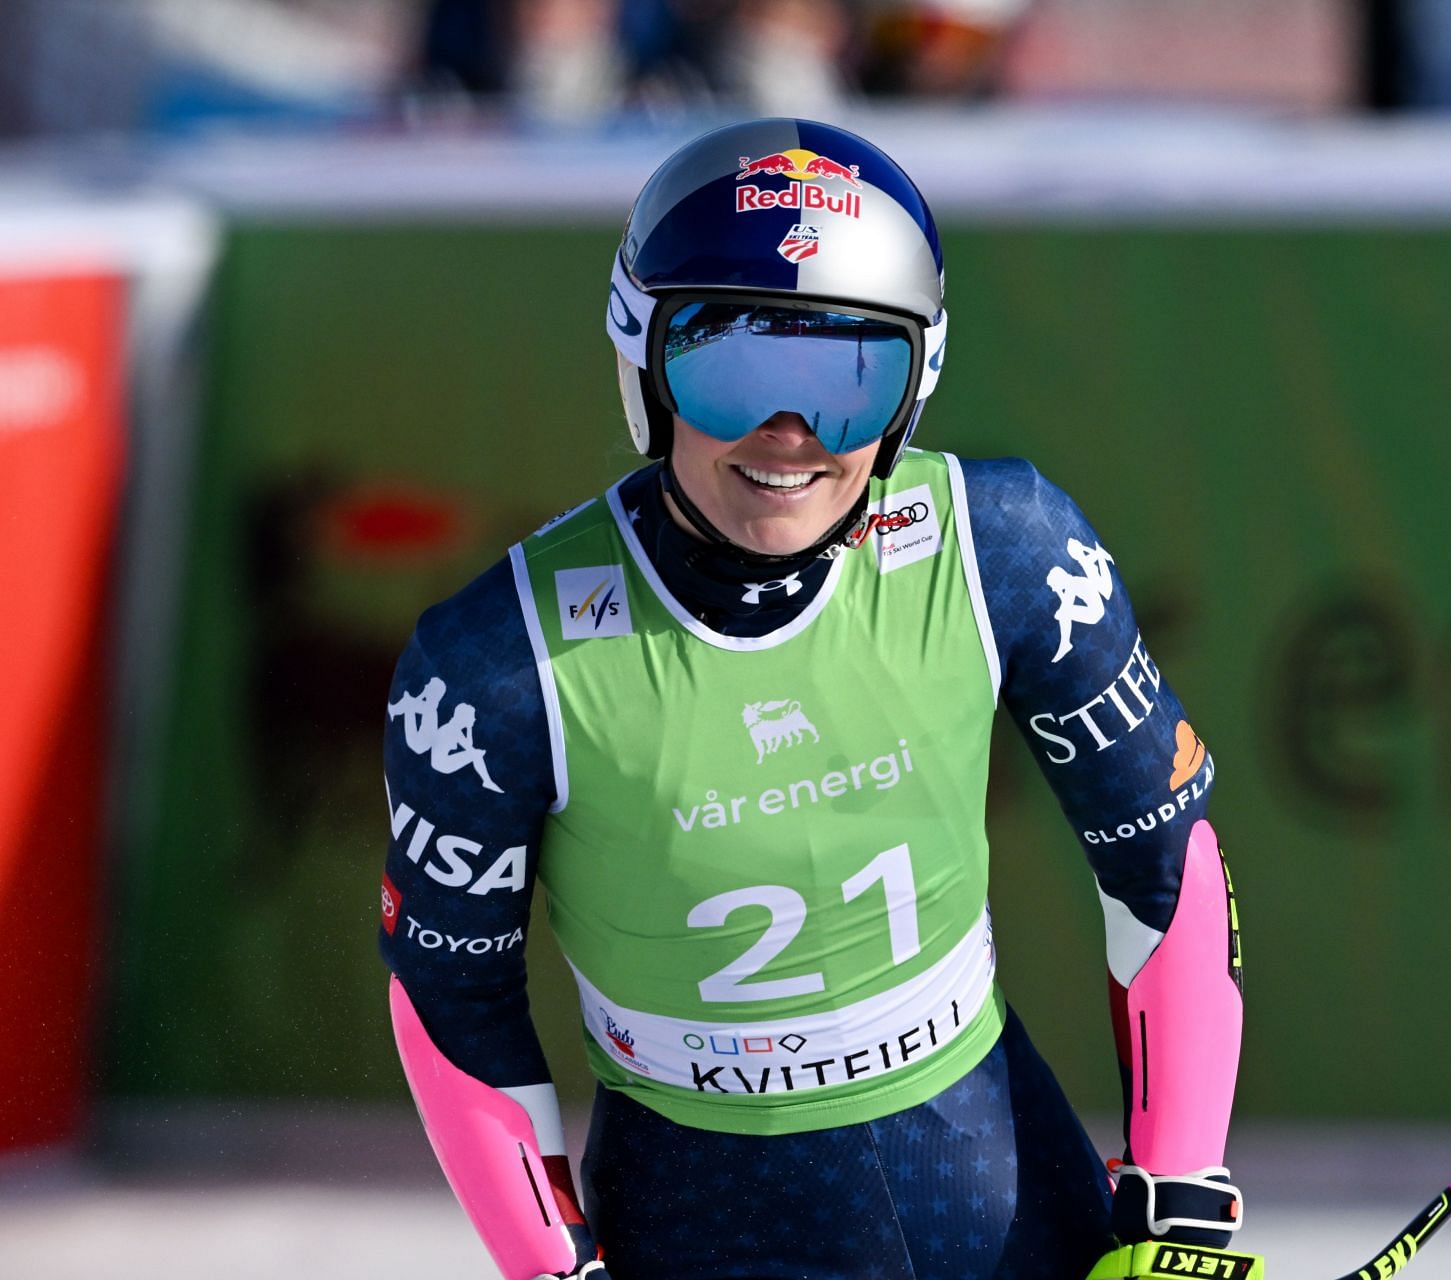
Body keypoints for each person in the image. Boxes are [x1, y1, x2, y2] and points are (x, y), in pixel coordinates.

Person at [377, 117, 1250, 1280]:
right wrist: (554, 1263)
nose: (787, 435)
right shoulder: (492, 666)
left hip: (990, 1184)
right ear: (643, 365)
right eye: (732, 368)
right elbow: (452, 993)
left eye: (848, 377)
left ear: (914, 385)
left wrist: (1179, 1194)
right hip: (704, 1210)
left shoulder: (1007, 546)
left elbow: (1163, 857)